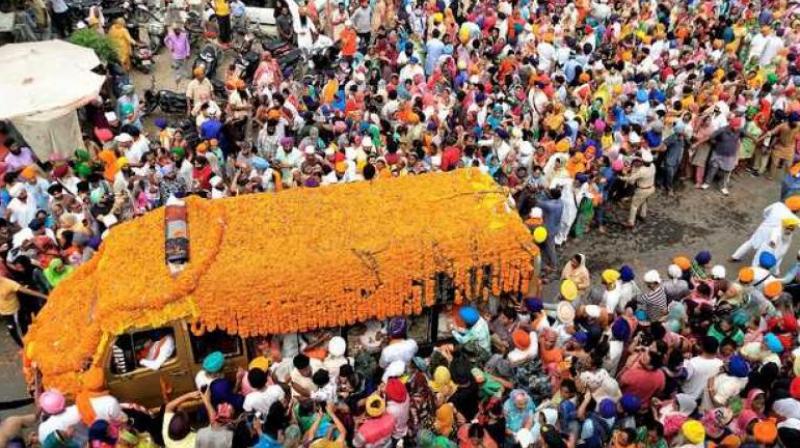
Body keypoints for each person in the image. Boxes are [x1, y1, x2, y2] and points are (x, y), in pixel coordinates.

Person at [619, 151, 656, 228]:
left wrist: (620, 177)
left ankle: (630, 223)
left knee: (634, 205)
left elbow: (630, 179)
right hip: (651, 188)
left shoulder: (642, 170)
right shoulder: (653, 166)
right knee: (644, 201)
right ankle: (643, 215)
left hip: (642, 189)